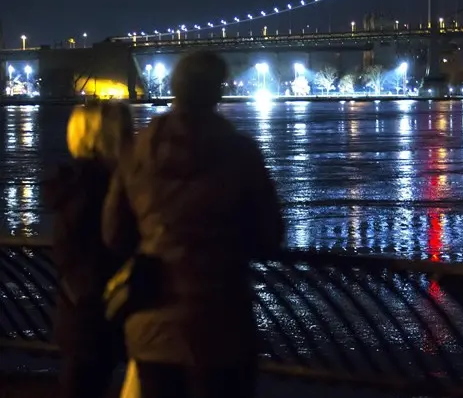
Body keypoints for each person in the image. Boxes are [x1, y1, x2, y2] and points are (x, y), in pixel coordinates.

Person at [103, 51, 285, 398]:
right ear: (217, 91)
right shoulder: (240, 152)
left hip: (152, 326)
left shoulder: (136, 151)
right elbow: (268, 236)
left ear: (174, 88)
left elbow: (114, 234)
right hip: (221, 323)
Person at [42, 101, 135, 398]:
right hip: (101, 315)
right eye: (125, 130)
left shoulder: (72, 185)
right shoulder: (102, 187)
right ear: (106, 137)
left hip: (79, 314)